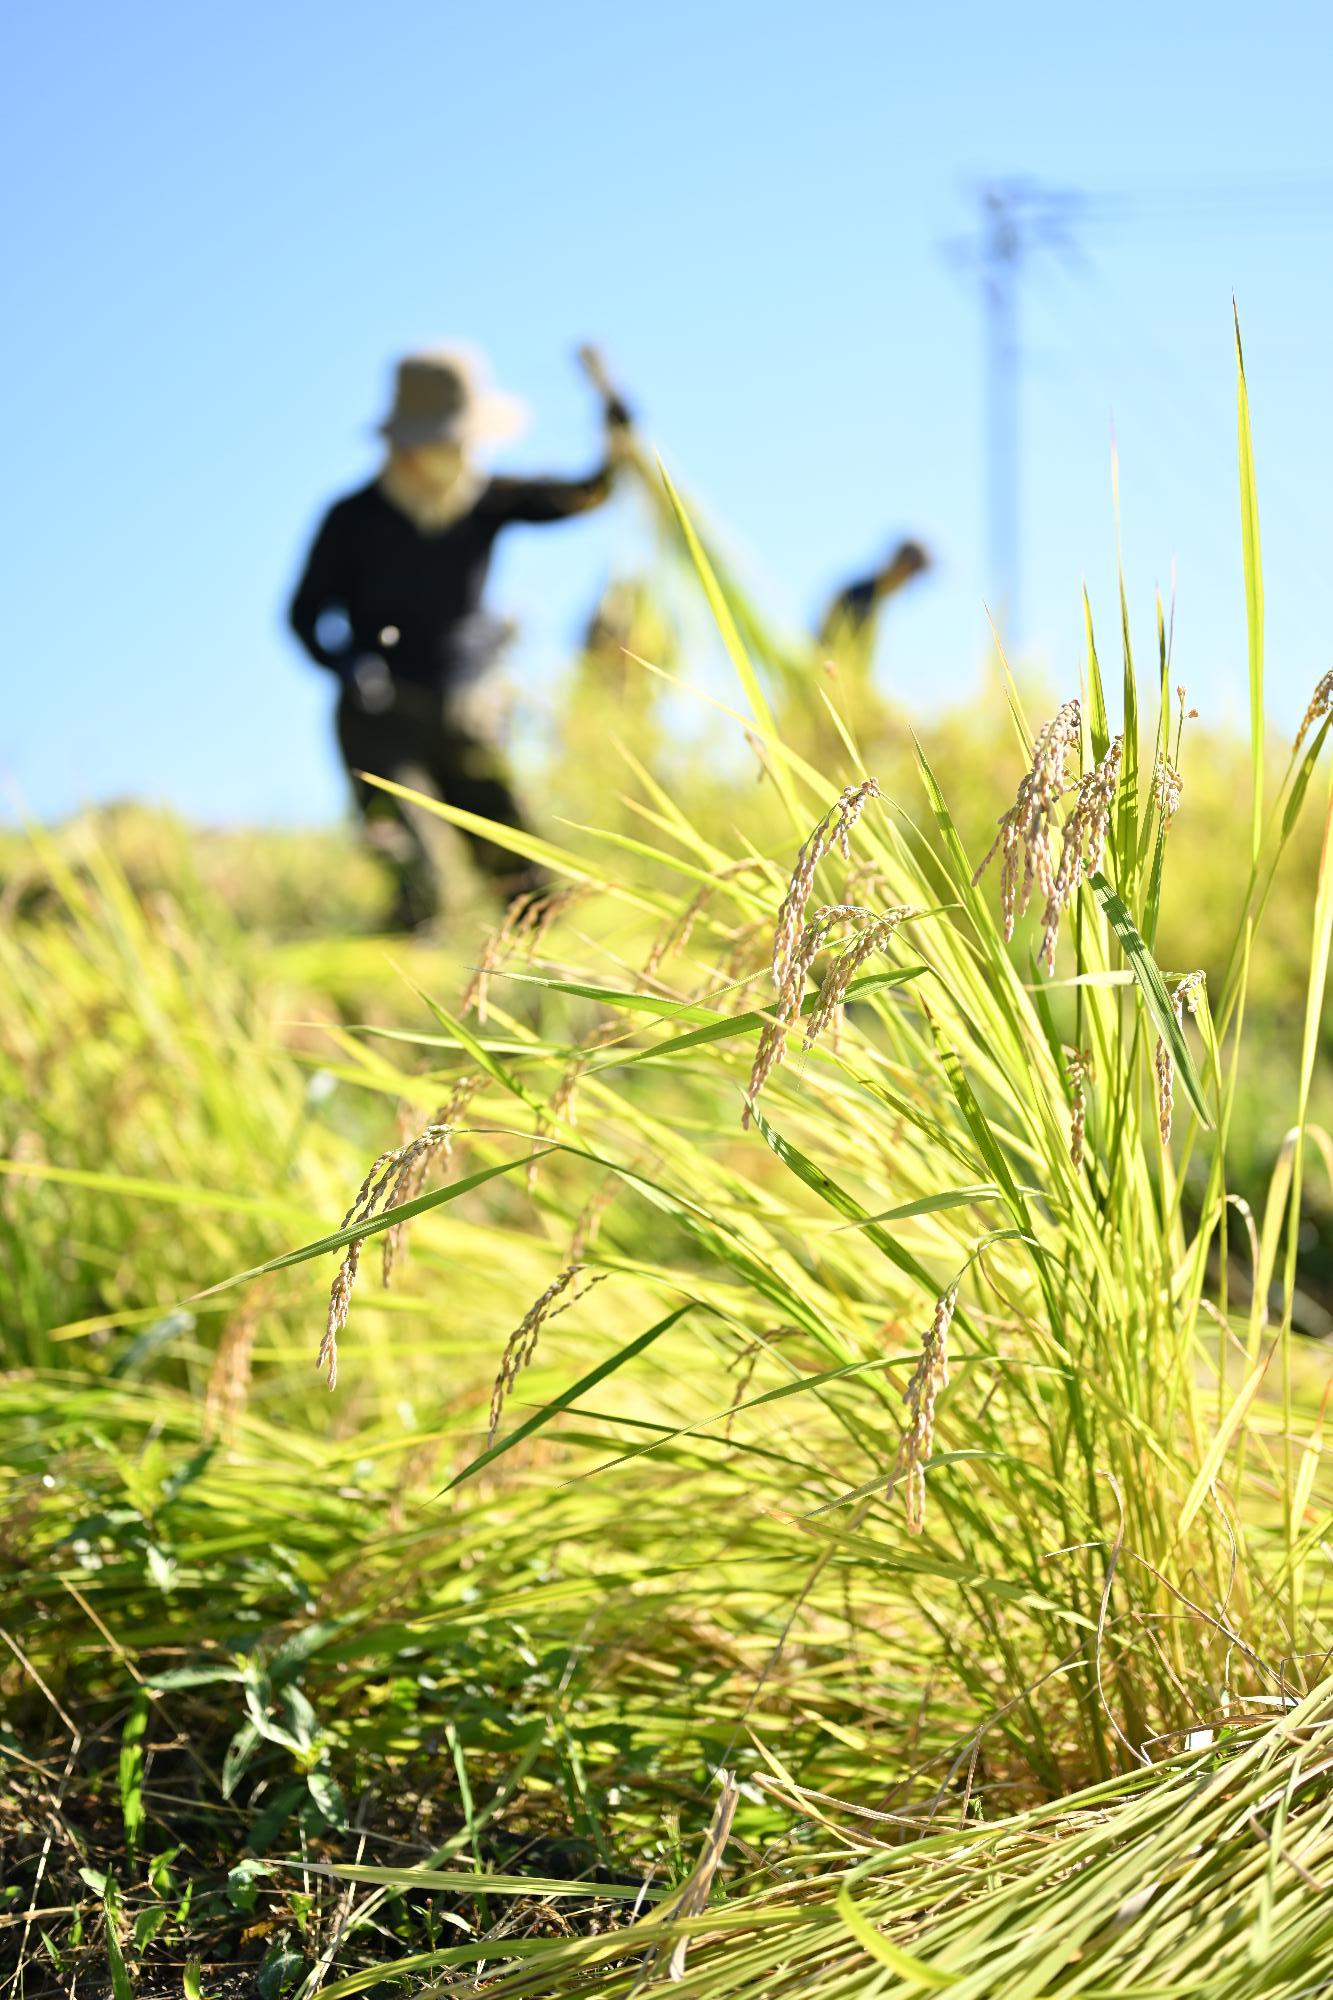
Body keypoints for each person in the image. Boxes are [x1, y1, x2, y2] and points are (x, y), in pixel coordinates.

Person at [289, 345, 632, 930]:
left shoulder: (485, 501)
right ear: (406, 446)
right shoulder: (352, 519)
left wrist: (618, 437)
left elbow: (585, 495)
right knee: (410, 863)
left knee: (514, 860)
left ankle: (544, 968)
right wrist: (347, 664)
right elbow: (303, 615)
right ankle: (405, 970)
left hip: (467, 703)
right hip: (380, 716)